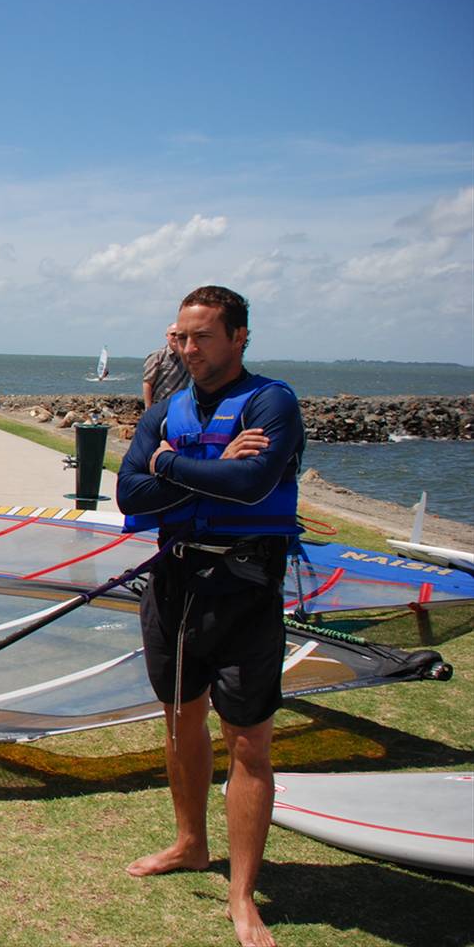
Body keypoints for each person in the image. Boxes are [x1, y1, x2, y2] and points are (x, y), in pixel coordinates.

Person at [116, 286, 304, 947]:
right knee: (178, 715)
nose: (187, 349)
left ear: (237, 338)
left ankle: (241, 894)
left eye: (200, 337)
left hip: (243, 584)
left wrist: (168, 462)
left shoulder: (269, 402)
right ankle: (190, 843)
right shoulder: (166, 410)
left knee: (248, 740)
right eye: (179, 337)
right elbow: (127, 495)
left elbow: (250, 485)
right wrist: (199, 467)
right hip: (173, 583)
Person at [143, 323, 191, 408]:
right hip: (159, 405)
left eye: (179, 335)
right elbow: (147, 383)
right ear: (167, 336)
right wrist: (148, 408)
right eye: (173, 334)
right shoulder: (157, 356)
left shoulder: (188, 357)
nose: (176, 337)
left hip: (179, 406)